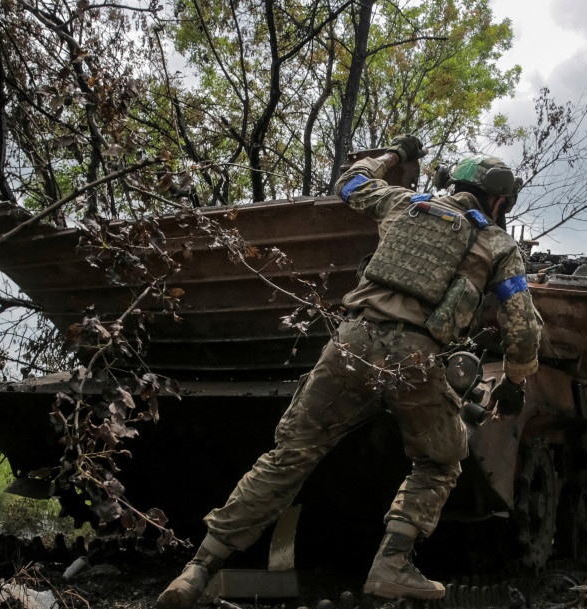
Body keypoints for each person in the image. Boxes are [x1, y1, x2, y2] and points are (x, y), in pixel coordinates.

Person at [156, 136, 542, 608]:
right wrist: (516, 382)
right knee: (441, 460)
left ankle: (195, 570)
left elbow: (349, 181)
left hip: (350, 344)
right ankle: (391, 565)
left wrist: (396, 154)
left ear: (451, 184)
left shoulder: (404, 203)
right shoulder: (497, 243)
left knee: (289, 456)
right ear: (499, 199)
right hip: (415, 359)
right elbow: (522, 328)